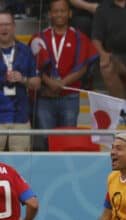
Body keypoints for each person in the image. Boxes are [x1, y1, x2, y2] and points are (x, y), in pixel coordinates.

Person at [30, 0, 98, 151]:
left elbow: (83, 68)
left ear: (70, 13)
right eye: (55, 11)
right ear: (49, 14)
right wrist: (50, 83)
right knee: (46, 141)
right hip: (45, 97)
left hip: (70, 97)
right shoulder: (39, 38)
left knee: (68, 141)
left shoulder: (79, 37)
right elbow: (34, 66)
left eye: (63, 11)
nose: (59, 14)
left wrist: (62, 83)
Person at [0, 10, 40, 152]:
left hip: (20, 117)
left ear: (14, 27)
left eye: (7, 24)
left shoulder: (25, 51)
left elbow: (37, 82)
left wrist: (23, 79)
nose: (4, 28)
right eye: (0, 25)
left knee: (20, 165)